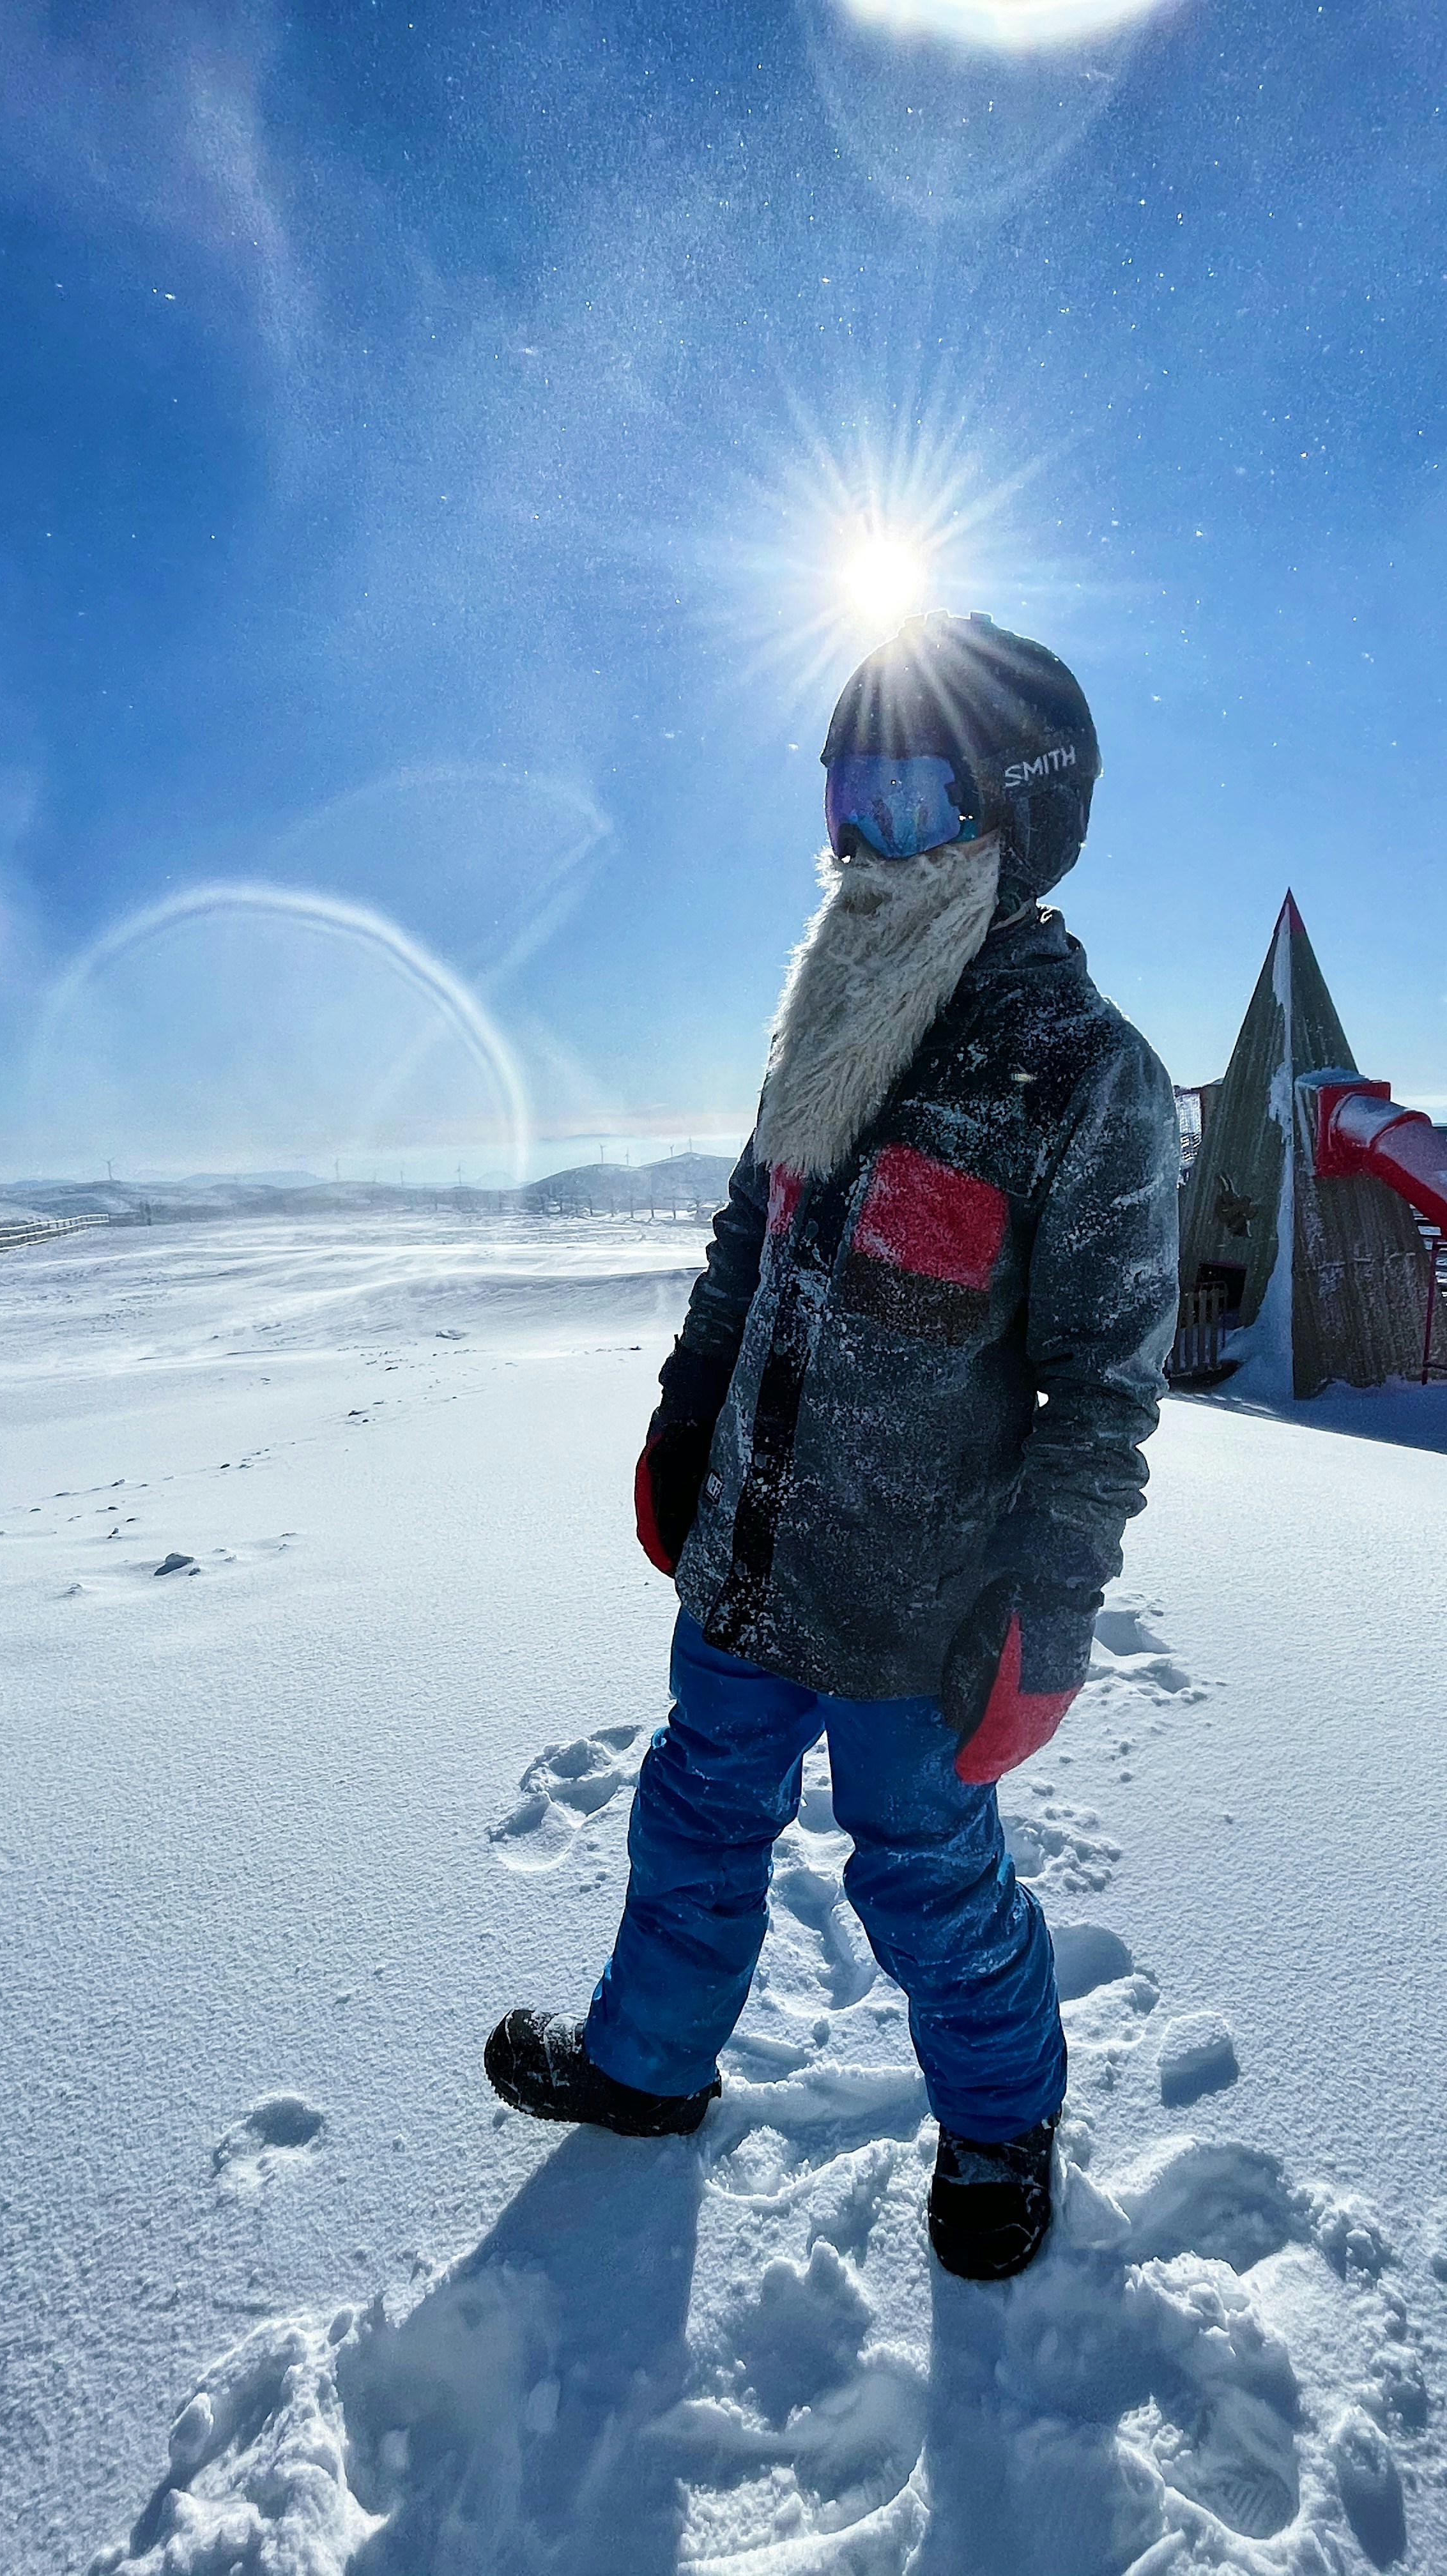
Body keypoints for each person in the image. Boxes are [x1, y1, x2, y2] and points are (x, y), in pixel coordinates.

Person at [486, 611, 1180, 2280]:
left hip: (918, 1603)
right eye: (842, 792)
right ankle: (651, 2071)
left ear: (1013, 816)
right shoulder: (828, 1024)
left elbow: (1103, 1394)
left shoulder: (1084, 1078)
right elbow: (748, 1249)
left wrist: (1050, 1613)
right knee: (695, 1812)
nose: (865, 835)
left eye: (907, 792)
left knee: (926, 1878)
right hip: (749, 1553)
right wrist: (680, 1419)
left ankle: (1005, 2122)